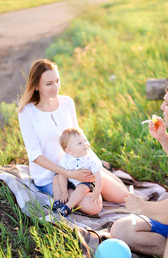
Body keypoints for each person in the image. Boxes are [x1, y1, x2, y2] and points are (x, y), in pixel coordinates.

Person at [17, 58, 127, 216]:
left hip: (78, 164)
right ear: (36, 86)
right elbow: (35, 155)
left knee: (123, 196)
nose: (56, 87)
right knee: (94, 207)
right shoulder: (27, 112)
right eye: (49, 84)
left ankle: (100, 173)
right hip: (51, 176)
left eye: (57, 81)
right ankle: (85, 191)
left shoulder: (67, 102)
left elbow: (79, 138)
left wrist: (94, 164)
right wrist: (69, 174)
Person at [111, 80, 168, 258]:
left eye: (166, 104)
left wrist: (142, 207)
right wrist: (163, 138)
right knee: (120, 229)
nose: (161, 108)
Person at [53, 128, 103, 216]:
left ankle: (67, 207)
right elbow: (63, 175)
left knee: (82, 188)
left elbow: (99, 177)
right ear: (69, 151)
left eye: (85, 140)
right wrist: (64, 192)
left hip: (83, 182)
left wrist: (96, 193)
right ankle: (58, 201)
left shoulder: (90, 158)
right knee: (57, 178)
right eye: (80, 143)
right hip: (68, 180)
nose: (85, 144)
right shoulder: (65, 159)